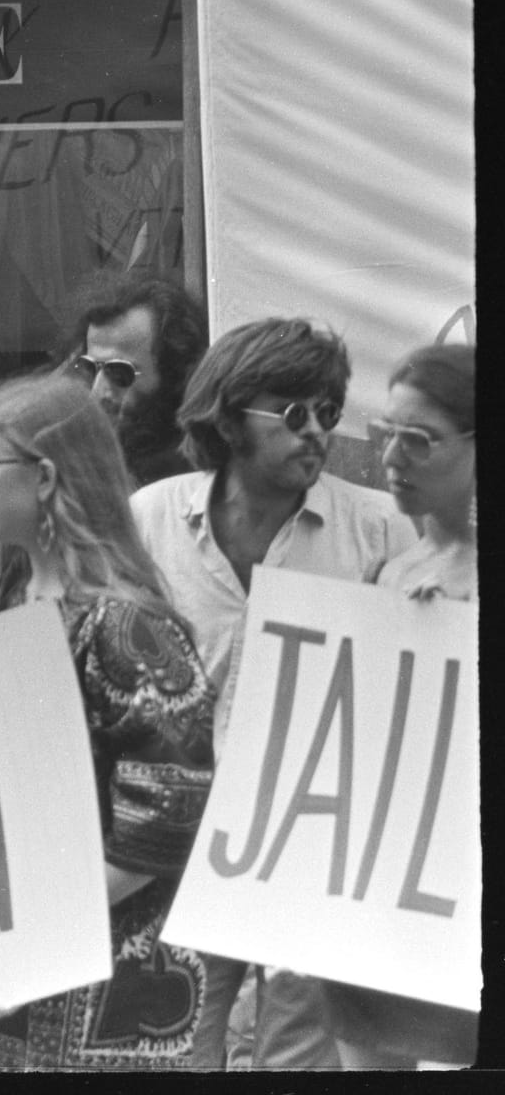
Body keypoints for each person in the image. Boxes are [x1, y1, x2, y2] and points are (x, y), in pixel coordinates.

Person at [0, 374, 215, 1070]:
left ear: (46, 477)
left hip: (85, 986)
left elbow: (172, 811)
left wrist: (37, 931)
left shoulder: (125, 624)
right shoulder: (3, 599)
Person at [131, 317, 417, 1070]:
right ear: (227, 420)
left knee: (303, 1063)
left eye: (328, 410)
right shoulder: (152, 519)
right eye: (293, 413)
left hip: (314, 852)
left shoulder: (380, 531)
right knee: (175, 1055)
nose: (317, 430)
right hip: (183, 847)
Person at [324, 343, 476, 1071]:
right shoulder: (389, 571)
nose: (391, 458)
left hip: (461, 894)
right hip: (383, 883)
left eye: (419, 440)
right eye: (386, 434)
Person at [55, 271, 208, 488]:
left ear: (174, 373)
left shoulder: (197, 482)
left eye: (119, 373)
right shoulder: (70, 458)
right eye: (89, 368)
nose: (98, 392)